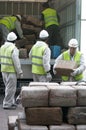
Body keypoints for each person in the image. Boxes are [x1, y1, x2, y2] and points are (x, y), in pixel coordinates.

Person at [0, 32, 23, 109]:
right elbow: (16, 62)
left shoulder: (2, 47)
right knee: (11, 89)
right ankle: (7, 104)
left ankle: (11, 102)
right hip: (11, 71)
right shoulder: (13, 49)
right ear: (15, 40)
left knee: (8, 88)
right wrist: (19, 72)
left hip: (4, 70)